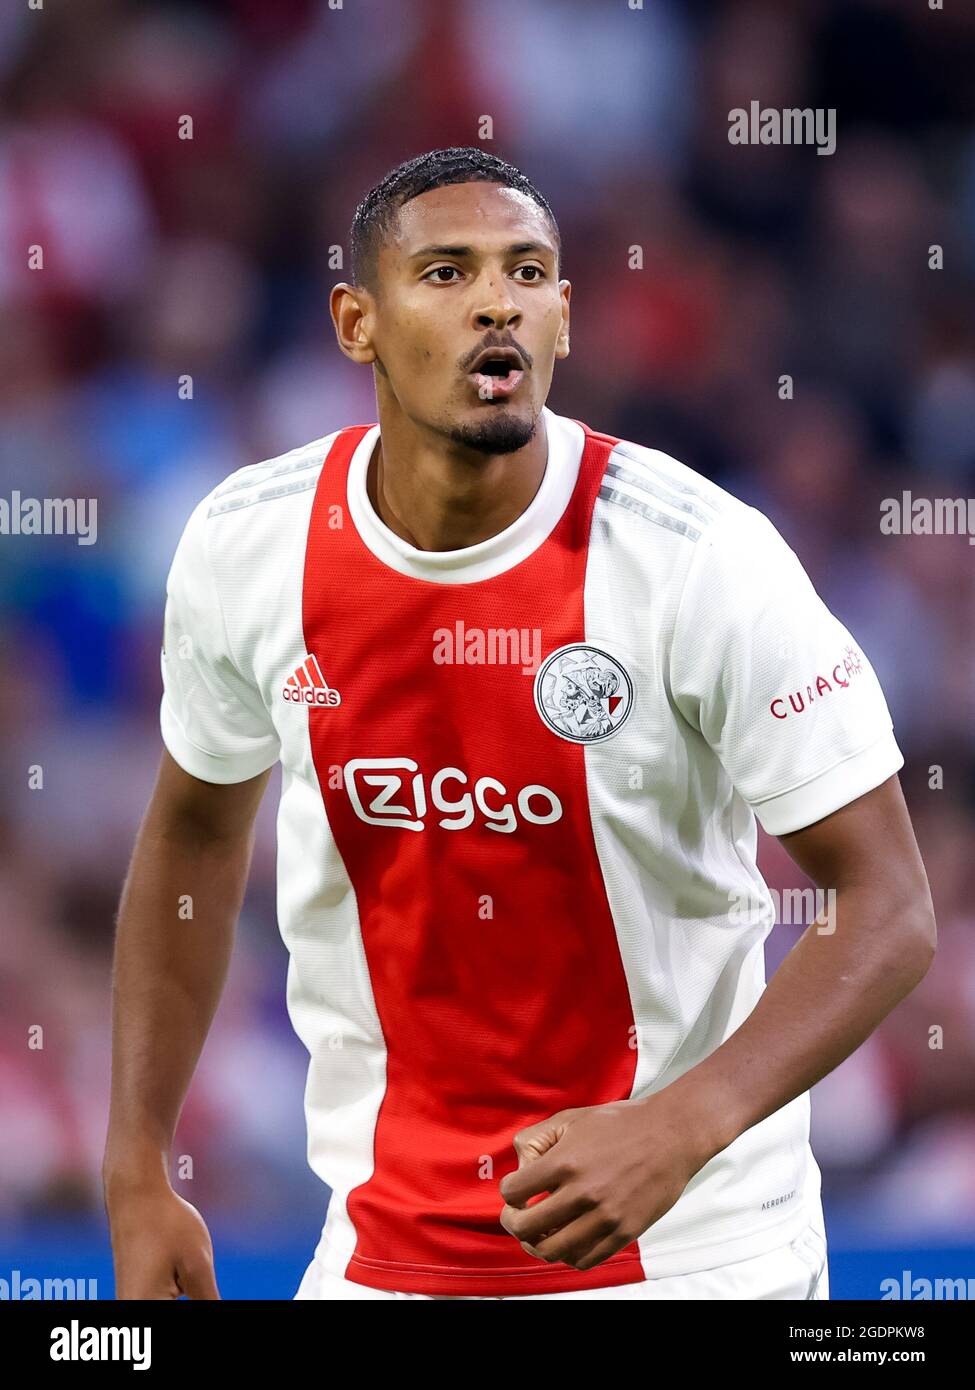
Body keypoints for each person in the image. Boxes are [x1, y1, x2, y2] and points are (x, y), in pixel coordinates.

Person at [103, 147, 936, 1301]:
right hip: (381, 1252)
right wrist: (138, 1160)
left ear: (561, 318)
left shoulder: (700, 558)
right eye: (445, 272)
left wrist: (681, 1125)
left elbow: (888, 902)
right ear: (357, 322)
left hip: (694, 1251)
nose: (497, 300)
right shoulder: (248, 547)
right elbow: (193, 836)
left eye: (528, 272)